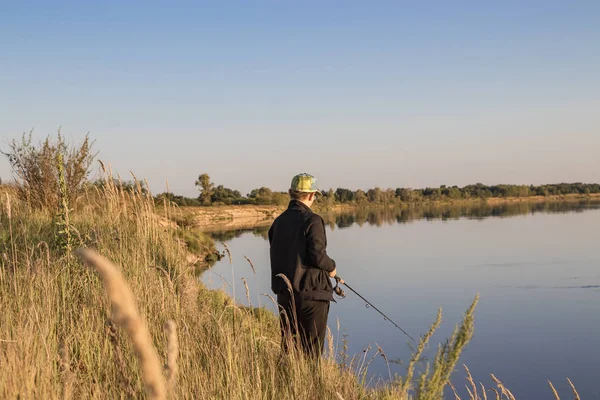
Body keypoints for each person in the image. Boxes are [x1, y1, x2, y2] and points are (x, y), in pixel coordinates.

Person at [268, 173, 339, 358]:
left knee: (289, 349)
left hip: (285, 295)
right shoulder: (313, 220)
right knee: (311, 353)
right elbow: (318, 256)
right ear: (310, 195)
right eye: (314, 195)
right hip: (311, 296)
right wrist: (332, 267)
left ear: (291, 193)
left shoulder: (278, 222)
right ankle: (311, 386)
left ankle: (287, 383)